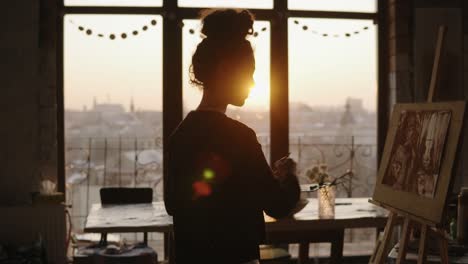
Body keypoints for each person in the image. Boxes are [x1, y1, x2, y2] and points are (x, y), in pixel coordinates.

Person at [164, 9, 300, 264]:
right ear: (227, 70)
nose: (252, 83)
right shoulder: (240, 137)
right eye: (248, 72)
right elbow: (278, 205)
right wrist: (288, 175)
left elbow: (173, 204)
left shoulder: (180, 134)